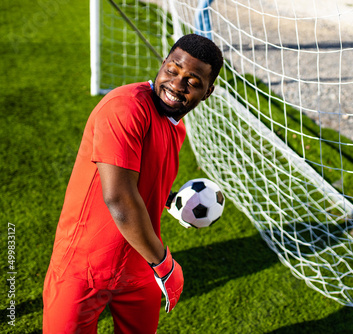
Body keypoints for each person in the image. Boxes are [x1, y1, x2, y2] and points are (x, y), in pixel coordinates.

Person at [43, 34, 224, 333]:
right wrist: (165, 267)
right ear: (162, 64)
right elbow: (118, 197)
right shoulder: (125, 108)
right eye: (173, 70)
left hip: (138, 265)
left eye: (192, 81)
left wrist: (170, 200)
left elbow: (141, 176)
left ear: (207, 92)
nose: (177, 85)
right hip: (85, 266)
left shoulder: (175, 127)